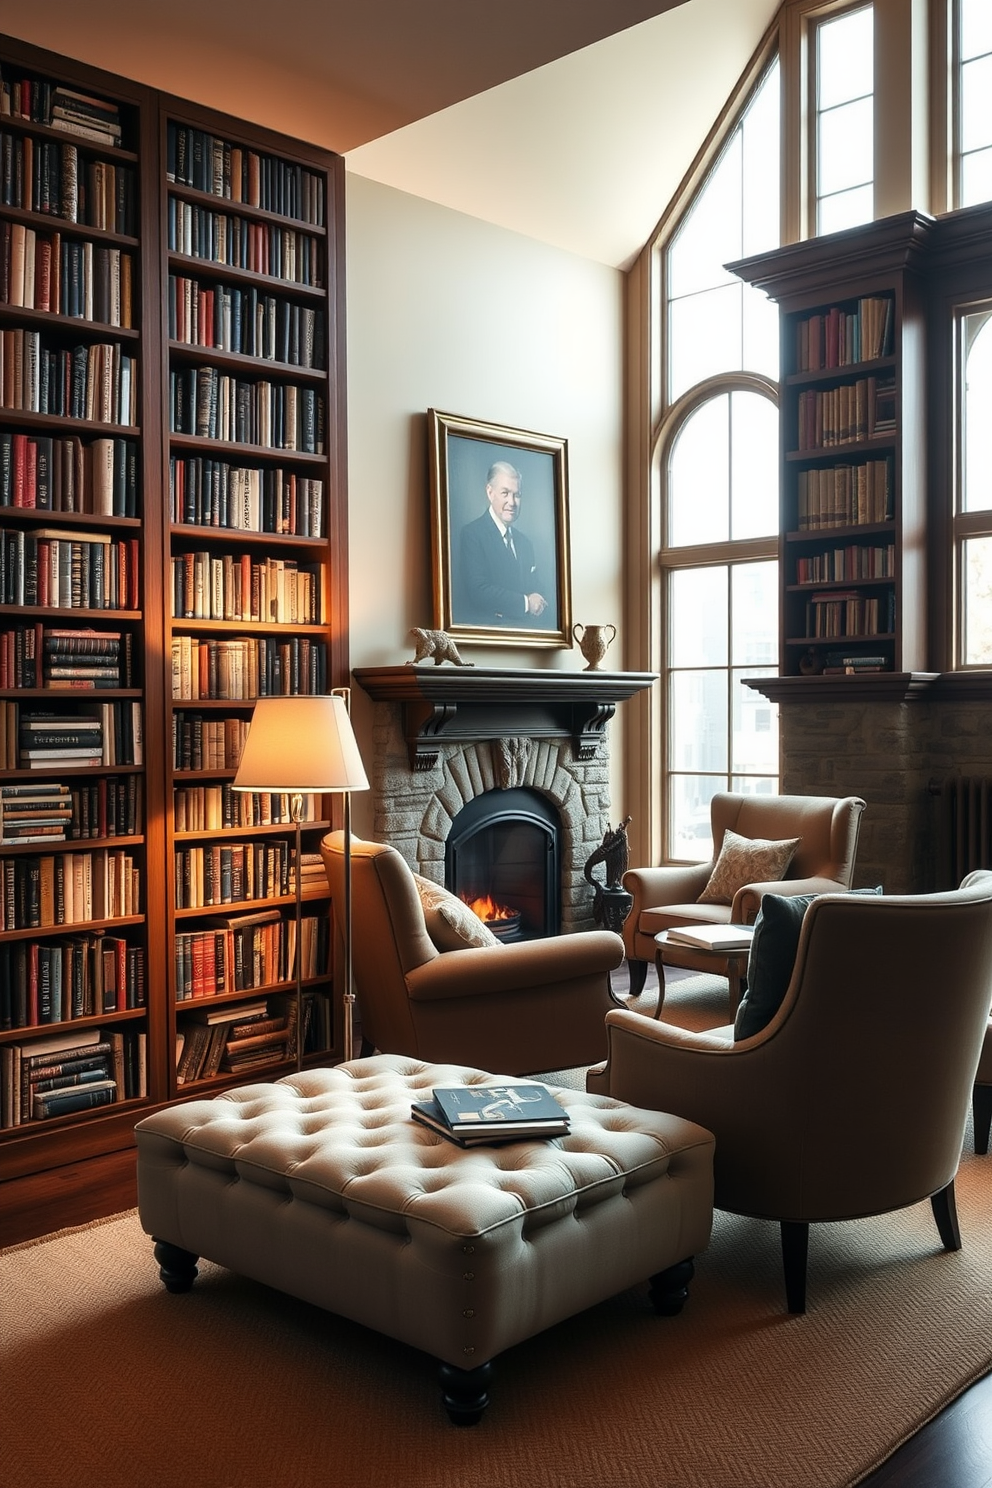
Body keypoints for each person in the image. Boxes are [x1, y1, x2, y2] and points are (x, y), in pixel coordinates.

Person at [455, 460, 553, 626]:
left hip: (524, 635)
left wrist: (536, 598)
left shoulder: (525, 543)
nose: (512, 502)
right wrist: (526, 603)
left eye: (517, 495)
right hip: (488, 637)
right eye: (505, 493)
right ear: (490, 492)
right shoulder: (472, 534)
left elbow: (538, 589)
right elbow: (478, 592)